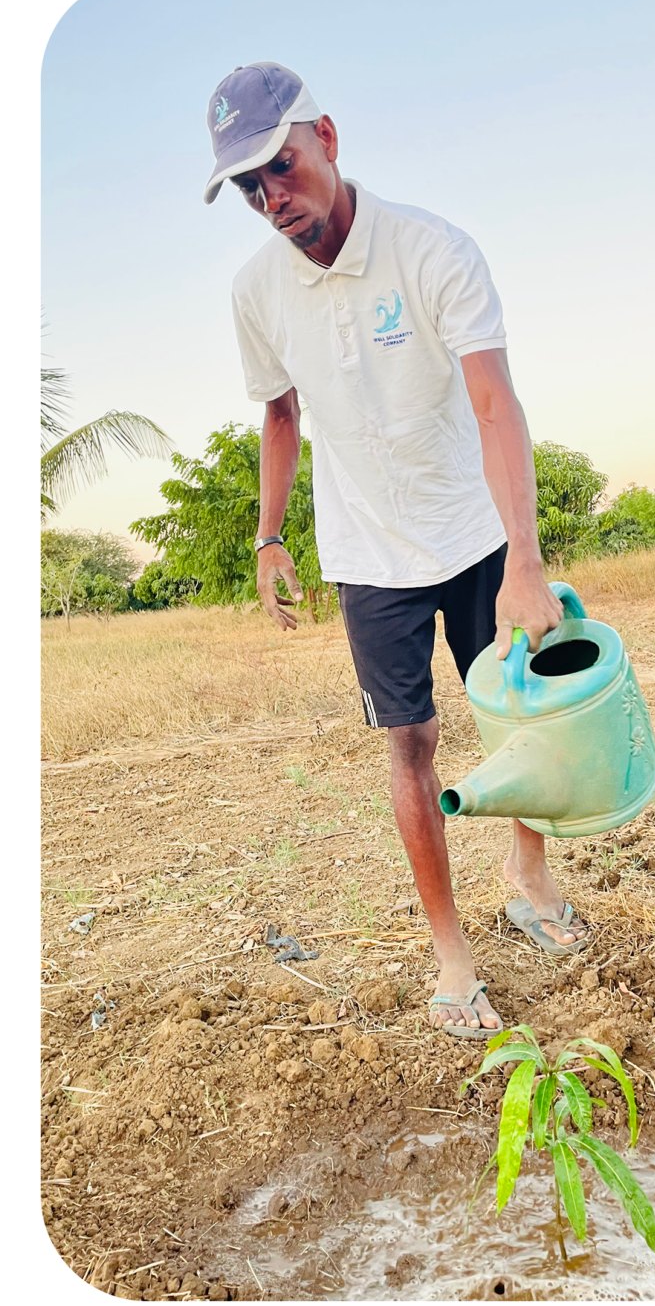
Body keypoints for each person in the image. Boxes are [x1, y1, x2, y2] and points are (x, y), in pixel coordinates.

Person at [206, 61, 591, 1042]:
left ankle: (527, 878)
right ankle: (452, 956)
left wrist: (523, 557)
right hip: (366, 554)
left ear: (326, 138)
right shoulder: (256, 290)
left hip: (470, 536)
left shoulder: (430, 250)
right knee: (410, 746)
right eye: (249, 188)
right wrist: (267, 533)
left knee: (520, 719)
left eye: (279, 168)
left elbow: (494, 401)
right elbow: (281, 412)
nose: (271, 199)